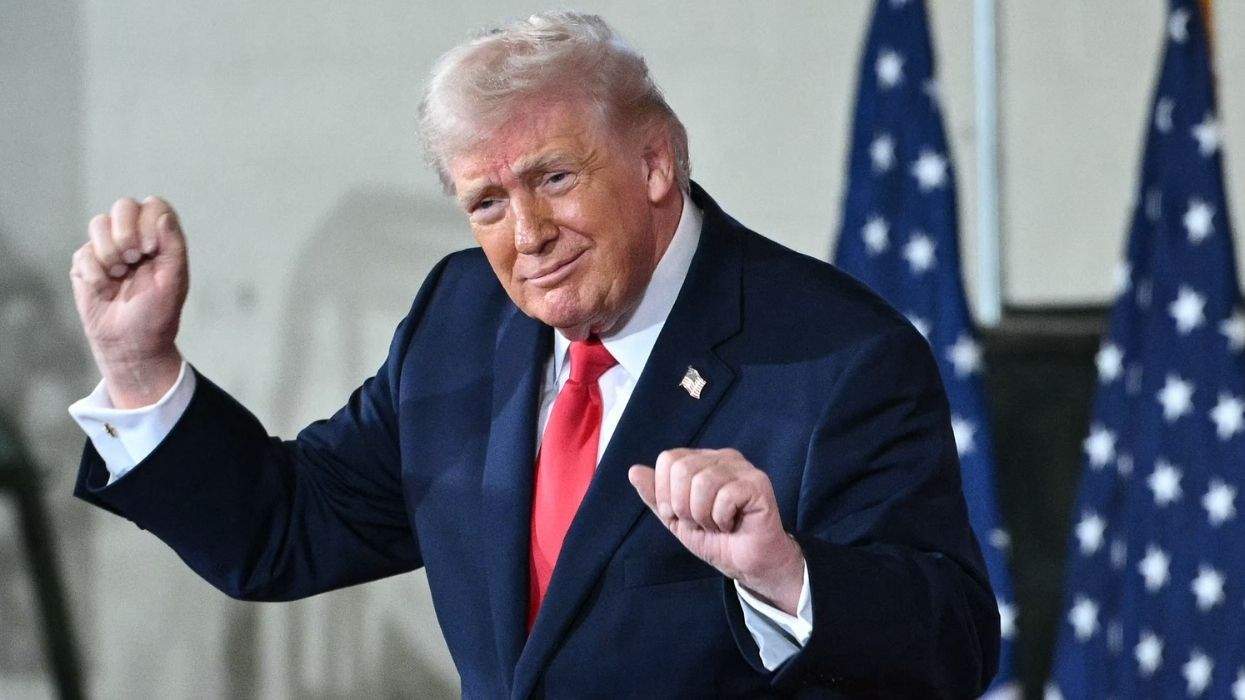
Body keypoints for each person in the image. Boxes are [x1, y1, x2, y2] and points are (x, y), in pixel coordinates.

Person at [67, 12, 999, 697]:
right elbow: (287, 528)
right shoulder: (460, 318)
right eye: (486, 203)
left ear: (654, 163)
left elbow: (951, 647)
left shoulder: (838, 356)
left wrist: (781, 572)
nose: (528, 233)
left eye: (554, 179)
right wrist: (141, 370)